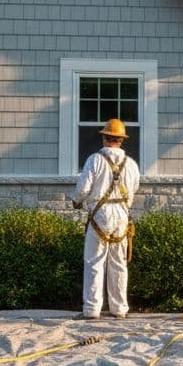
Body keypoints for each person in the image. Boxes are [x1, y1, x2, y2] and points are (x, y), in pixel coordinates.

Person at [69, 118, 141, 319]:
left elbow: (83, 189)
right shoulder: (132, 165)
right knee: (119, 262)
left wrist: (76, 200)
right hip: (122, 215)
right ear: (121, 139)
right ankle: (119, 309)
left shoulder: (95, 160)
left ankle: (92, 309)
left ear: (104, 138)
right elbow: (134, 190)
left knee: (94, 261)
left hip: (100, 214)